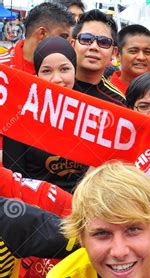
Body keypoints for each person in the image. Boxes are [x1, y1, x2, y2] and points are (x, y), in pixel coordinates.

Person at [3, 36, 88, 193]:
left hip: (84, 210)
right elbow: (14, 182)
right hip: (35, 211)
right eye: (47, 71)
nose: (56, 79)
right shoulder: (19, 120)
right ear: (37, 76)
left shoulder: (91, 117)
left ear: (75, 72)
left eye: (64, 69)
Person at [0, 3, 74, 74]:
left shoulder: (67, 73)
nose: (69, 44)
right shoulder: (2, 68)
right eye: (64, 37)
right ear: (42, 34)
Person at [72, 9, 126, 106]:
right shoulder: (52, 82)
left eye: (104, 42)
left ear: (114, 52)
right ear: (72, 44)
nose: (94, 47)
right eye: (86, 39)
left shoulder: (118, 102)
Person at [110, 25, 150, 94]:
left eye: (147, 52)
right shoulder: (105, 94)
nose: (141, 57)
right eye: (133, 51)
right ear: (118, 55)